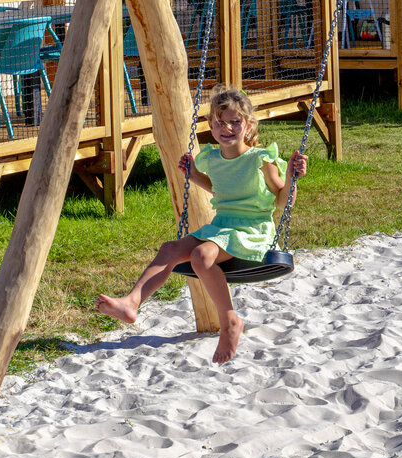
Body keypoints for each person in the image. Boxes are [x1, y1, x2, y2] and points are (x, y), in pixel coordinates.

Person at [97, 85, 307, 363]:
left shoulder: (260, 159)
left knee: (201, 255)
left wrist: (292, 177)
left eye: (235, 122)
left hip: (252, 229)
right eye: (220, 122)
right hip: (221, 226)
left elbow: (282, 201)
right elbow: (219, 188)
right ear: (210, 124)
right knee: (170, 249)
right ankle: (132, 302)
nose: (227, 128)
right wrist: (194, 176)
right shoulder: (212, 158)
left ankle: (229, 320)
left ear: (248, 124)